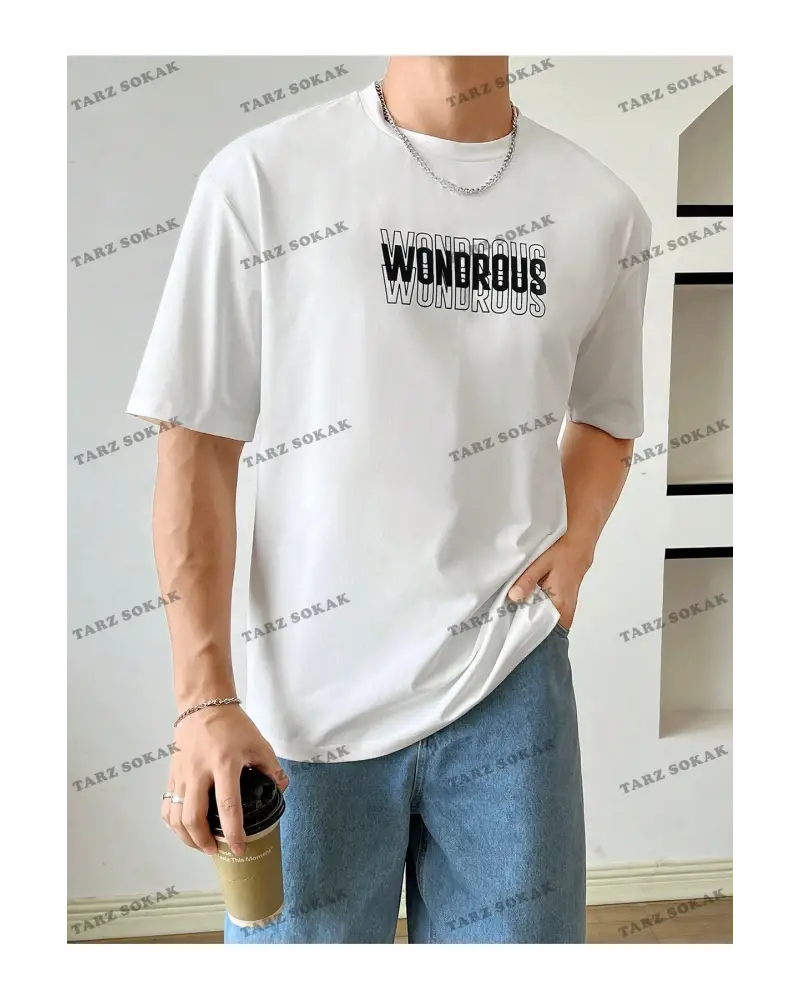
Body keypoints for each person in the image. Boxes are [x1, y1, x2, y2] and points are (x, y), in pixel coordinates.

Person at [128, 55, 651, 944]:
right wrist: (203, 700)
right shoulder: (262, 179)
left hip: (509, 683)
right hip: (304, 710)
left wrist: (580, 542)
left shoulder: (602, 210)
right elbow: (196, 445)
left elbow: (609, 418)